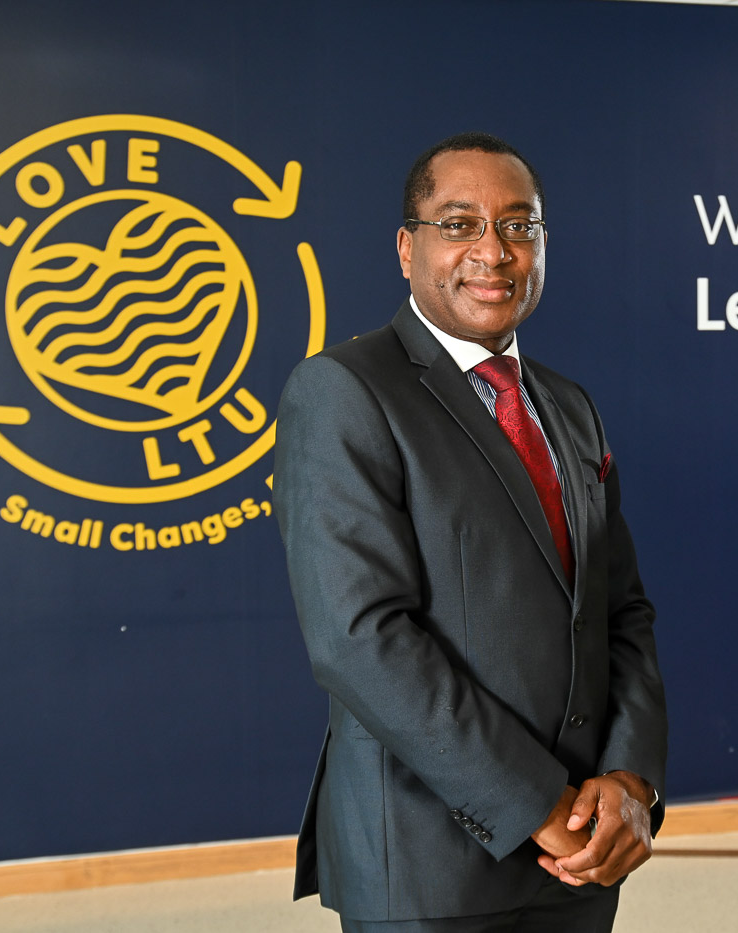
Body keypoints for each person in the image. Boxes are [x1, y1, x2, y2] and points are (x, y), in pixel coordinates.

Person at [273, 132, 667, 932]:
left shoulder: (569, 406)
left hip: (581, 856)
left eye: (520, 226)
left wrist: (629, 780)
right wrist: (535, 802)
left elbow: (619, 610)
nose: (494, 250)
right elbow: (361, 638)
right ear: (406, 246)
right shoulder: (344, 390)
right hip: (430, 868)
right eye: (460, 224)